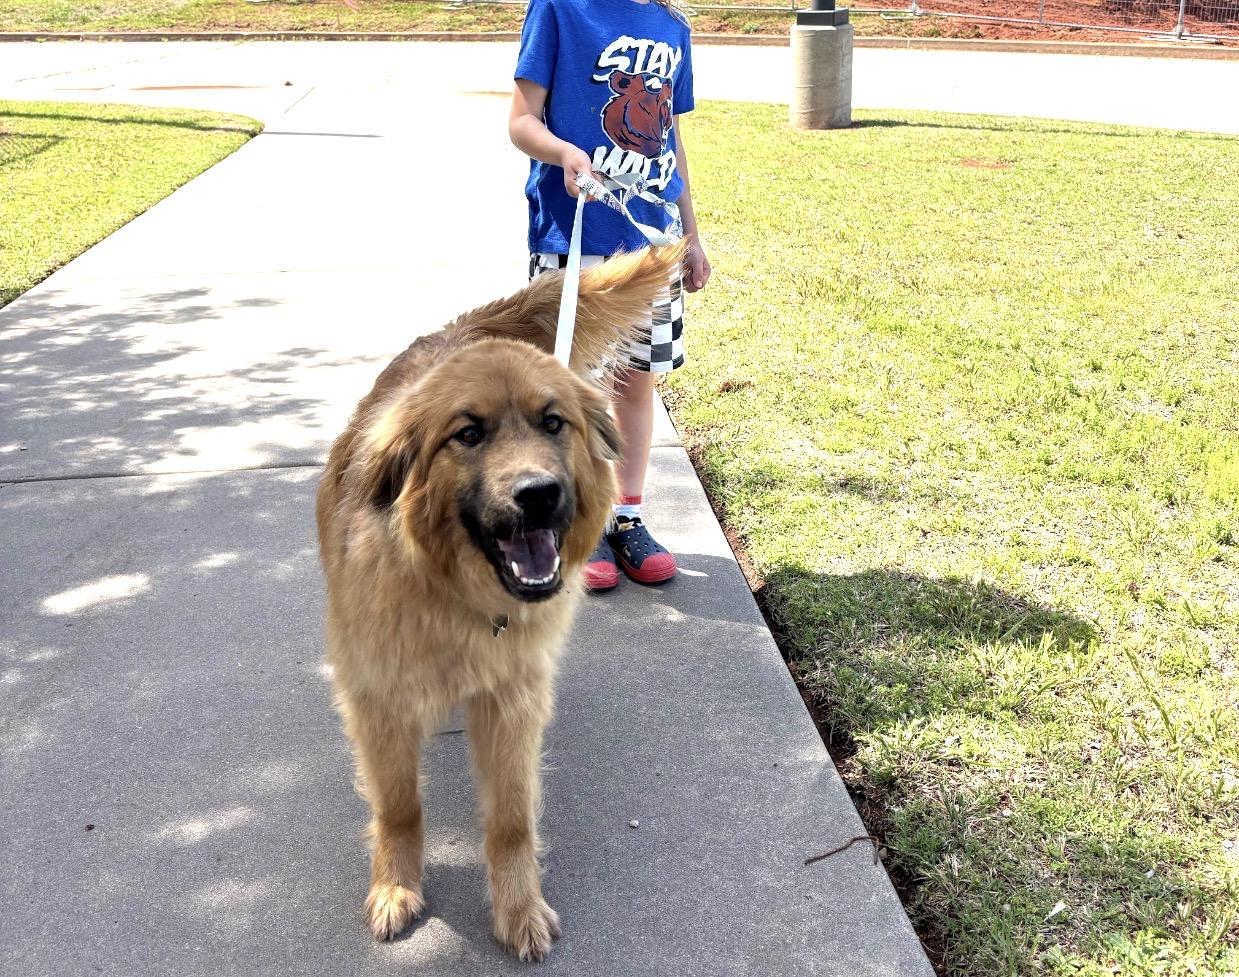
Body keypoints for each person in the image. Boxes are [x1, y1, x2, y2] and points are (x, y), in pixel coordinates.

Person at [509, 0, 711, 592]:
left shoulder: (672, 27)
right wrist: (565, 154)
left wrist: (691, 239)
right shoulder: (558, 10)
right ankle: (580, 520)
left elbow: (671, 144)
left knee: (634, 384)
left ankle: (626, 517)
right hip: (574, 238)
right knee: (570, 392)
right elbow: (522, 120)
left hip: (650, 246)